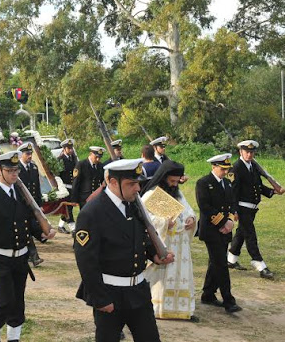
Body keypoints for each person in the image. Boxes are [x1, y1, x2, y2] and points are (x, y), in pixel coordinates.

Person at [74, 158, 174, 342]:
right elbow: (86, 261)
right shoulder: (92, 213)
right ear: (113, 182)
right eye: (131, 184)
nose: (137, 189)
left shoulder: (133, 204)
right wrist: (100, 298)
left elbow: (140, 236)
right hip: (110, 293)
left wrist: (154, 255)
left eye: (138, 183)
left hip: (139, 291)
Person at [0, 150, 56, 342]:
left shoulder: (20, 192)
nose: (15, 174)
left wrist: (42, 234)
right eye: (10, 170)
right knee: (5, 300)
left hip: (21, 257)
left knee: (18, 301)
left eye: (16, 170)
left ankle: (13, 337)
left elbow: (28, 221)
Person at [141, 161, 198, 321]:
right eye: (171, 181)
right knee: (162, 277)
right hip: (164, 242)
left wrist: (192, 219)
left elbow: (188, 210)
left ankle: (183, 309)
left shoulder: (178, 194)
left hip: (181, 244)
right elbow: (145, 219)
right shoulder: (152, 194)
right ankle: (159, 309)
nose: (174, 185)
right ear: (163, 178)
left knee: (182, 277)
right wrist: (165, 222)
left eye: (176, 181)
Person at [228, 140, 283, 279]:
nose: (250, 154)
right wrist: (233, 210)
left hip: (252, 208)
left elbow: (258, 186)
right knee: (250, 236)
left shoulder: (253, 166)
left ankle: (231, 259)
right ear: (241, 152)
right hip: (242, 208)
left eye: (252, 152)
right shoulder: (236, 168)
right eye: (247, 152)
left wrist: (273, 191)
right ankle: (260, 265)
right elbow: (233, 192)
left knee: (241, 233)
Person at [196, 154, 242, 313]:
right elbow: (205, 206)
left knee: (216, 262)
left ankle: (208, 294)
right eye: (222, 169)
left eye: (226, 169)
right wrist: (223, 222)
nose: (225, 171)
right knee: (221, 264)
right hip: (211, 230)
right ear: (213, 166)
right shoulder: (203, 183)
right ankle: (228, 300)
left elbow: (232, 203)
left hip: (225, 229)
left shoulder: (227, 183)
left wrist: (229, 221)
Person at [17, 142, 44, 267]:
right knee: (26, 229)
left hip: (32, 205)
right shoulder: (16, 168)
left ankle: (28, 254)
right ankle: (34, 256)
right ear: (21, 154)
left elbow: (36, 188)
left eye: (30, 153)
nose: (29, 156)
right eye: (27, 154)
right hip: (21, 205)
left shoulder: (33, 167)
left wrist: (39, 204)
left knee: (30, 227)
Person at [57, 139, 78, 233]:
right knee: (68, 207)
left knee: (70, 206)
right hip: (64, 187)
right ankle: (72, 227)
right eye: (69, 148)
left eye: (71, 148)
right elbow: (57, 174)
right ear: (64, 149)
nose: (71, 150)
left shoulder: (73, 158)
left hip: (72, 186)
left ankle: (60, 226)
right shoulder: (60, 159)